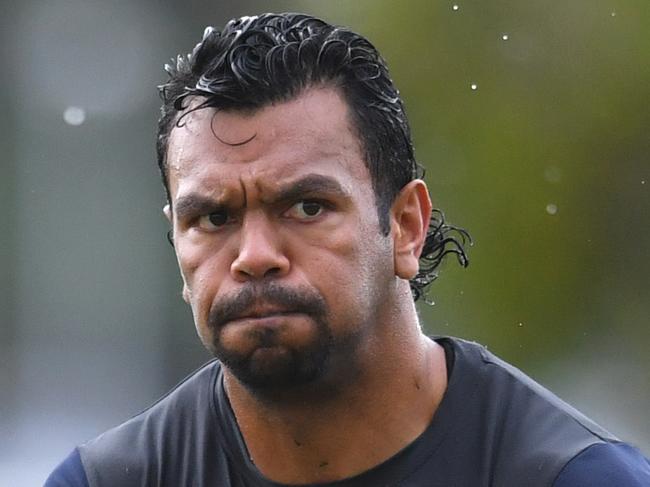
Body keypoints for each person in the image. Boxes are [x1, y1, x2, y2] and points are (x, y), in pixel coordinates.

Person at [45, 12, 650, 487]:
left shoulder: (569, 477)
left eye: (307, 206)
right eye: (213, 217)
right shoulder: (106, 481)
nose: (254, 255)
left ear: (406, 226)